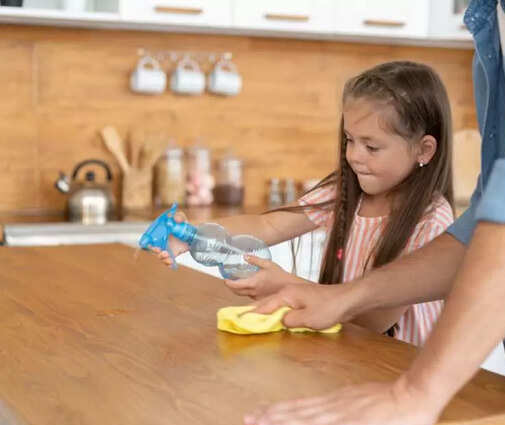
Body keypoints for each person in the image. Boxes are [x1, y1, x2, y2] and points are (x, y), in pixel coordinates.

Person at [243, 1, 505, 425]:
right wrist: (344, 297)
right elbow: (482, 226)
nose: (355, 155)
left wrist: (416, 392)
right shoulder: (493, 22)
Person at [152, 61, 455, 345]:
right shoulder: (345, 191)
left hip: (402, 372)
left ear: (424, 150)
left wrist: (287, 288)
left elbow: (375, 320)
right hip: (351, 356)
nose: (354, 156)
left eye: (371, 146)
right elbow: (267, 224)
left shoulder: (431, 221)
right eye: (349, 140)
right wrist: (191, 236)